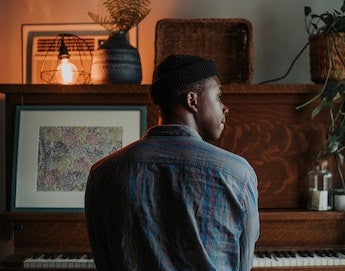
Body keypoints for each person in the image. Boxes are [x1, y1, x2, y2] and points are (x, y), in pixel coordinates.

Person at [85, 54, 259, 271]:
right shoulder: (238, 173)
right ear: (192, 101)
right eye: (218, 97)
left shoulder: (102, 172)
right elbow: (243, 265)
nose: (225, 108)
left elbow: (105, 261)